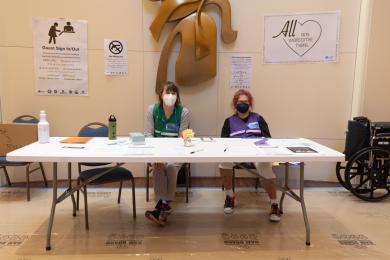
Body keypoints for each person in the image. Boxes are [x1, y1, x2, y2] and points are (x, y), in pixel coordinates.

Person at [219, 89, 281, 222]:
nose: (243, 104)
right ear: (235, 104)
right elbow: (222, 143)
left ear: (250, 103)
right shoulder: (228, 121)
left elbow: (268, 139)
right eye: (240, 102)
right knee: (224, 162)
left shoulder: (258, 118)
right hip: (236, 154)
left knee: (264, 166)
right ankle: (230, 196)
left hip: (257, 153)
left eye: (246, 102)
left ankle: (274, 203)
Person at [144, 81, 190, 225]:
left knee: (170, 166)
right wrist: (159, 155)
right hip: (156, 152)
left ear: (177, 96)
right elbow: (148, 135)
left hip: (177, 152)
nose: (170, 96)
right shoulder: (152, 110)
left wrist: (168, 155)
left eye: (173, 93)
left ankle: (162, 206)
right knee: (158, 165)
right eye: (167, 92)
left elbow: (182, 137)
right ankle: (164, 207)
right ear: (161, 95)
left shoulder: (183, 112)